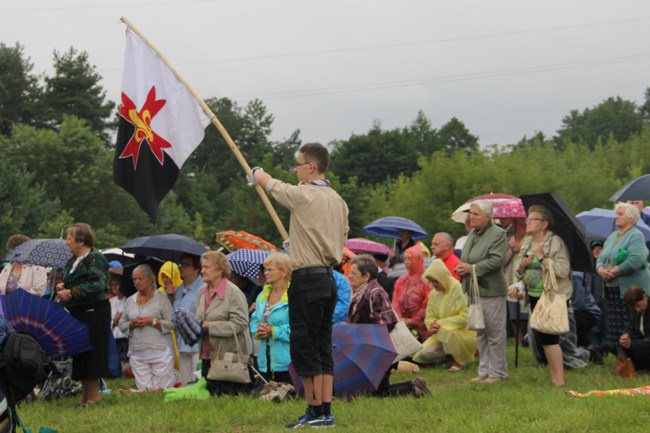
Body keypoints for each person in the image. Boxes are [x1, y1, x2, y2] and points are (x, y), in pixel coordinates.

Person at [252, 142, 349, 428]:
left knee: (305, 347)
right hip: (329, 277)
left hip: (307, 280)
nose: (295, 170)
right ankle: (325, 410)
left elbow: (274, 186)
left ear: (311, 166)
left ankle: (315, 410)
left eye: (298, 164)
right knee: (322, 347)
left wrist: (258, 173)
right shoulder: (338, 201)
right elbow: (335, 237)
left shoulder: (306, 194)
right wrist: (296, 246)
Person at [346, 254, 431, 397]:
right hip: (373, 348)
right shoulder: (360, 293)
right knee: (372, 391)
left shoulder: (375, 293)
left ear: (366, 276)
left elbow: (388, 322)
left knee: (378, 393)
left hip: (381, 349)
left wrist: (367, 336)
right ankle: (414, 386)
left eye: (353, 273)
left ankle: (413, 387)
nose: (349, 276)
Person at [509, 204, 573, 385]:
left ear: (544, 224)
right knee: (541, 337)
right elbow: (518, 271)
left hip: (552, 296)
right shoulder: (527, 242)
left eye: (532, 219)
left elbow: (563, 270)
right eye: (527, 219)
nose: (527, 222)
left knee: (549, 338)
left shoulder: (555, 242)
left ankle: (559, 381)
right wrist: (522, 264)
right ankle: (554, 377)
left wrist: (543, 258)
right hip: (534, 295)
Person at [55, 223, 110, 405]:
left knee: (91, 351)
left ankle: (94, 397)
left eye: (69, 238)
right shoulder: (72, 261)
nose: (66, 242)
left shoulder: (95, 258)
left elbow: (97, 284)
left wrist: (71, 292)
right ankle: (85, 396)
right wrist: (64, 286)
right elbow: (72, 280)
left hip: (93, 311)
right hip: (77, 312)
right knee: (81, 352)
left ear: (81, 240)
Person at [455, 200, 508, 384]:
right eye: (471, 213)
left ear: (488, 217)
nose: (472, 217)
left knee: (495, 333)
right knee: (481, 332)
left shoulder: (498, 234)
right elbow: (466, 258)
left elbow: (496, 260)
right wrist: (461, 268)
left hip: (491, 289)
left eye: (476, 214)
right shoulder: (472, 234)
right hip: (474, 290)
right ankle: (484, 371)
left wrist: (472, 268)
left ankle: (498, 372)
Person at [196, 251, 252, 396]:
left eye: (206, 267)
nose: (202, 271)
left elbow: (240, 324)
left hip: (229, 356)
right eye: (202, 267)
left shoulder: (233, 292)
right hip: (207, 354)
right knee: (210, 400)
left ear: (220, 270)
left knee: (229, 399)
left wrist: (210, 327)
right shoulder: (201, 292)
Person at [595, 203, 650, 351]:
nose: (616, 217)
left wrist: (614, 271)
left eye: (620, 214)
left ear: (631, 218)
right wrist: (601, 270)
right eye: (616, 214)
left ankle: (634, 356)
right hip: (611, 288)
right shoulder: (612, 236)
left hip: (629, 289)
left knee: (628, 322)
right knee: (614, 323)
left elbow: (636, 260)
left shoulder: (636, 236)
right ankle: (619, 354)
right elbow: (601, 258)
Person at [118, 264, 175, 391]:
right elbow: (122, 325)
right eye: (134, 279)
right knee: (145, 393)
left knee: (161, 390)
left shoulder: (161, 299)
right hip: (138, 352)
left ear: (150, 279)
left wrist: (152, 321)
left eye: (140, 278)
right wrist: (132, 324)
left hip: (160, 351)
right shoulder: (129, 301)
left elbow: (171, 323)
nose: (137, 282)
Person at [413, 259, 477, 371]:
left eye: (435, 281)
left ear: (442, 277)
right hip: (440, 334)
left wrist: (441, 323)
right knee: (423, 354)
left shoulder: (458, 288)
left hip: (463, 334)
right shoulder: (434, 294)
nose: (433, 285)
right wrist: (431, 326)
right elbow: (430, 316)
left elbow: (465, 317)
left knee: (449, 331)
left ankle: (459, 361)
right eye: (430, 282)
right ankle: (448, 357)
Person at [250, 252, 292, 383]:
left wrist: (273, 331)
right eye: (265, 269)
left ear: (284, 272)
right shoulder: (262, 295)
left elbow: (300, 328)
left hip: (288, 361)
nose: (265, 273)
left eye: (270, 270)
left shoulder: (294, 296)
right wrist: (258, 330)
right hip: (264, 359)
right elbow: (254, 320)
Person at [173, 253, 203, 385]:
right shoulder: (179, 289)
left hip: (198, 341)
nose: (181, 267)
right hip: (182, 340)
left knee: (198, 379)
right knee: (185, 382)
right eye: (181, 264)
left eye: (186, 264)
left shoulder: (203, 287)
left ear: (196, 268)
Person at [391, 245, 432, 342]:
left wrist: (414, 320)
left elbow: (428, 303)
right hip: (404, 326)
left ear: (418, 259)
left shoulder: (428, 279)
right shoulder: (401, 280)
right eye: (405, 259)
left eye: (410, 258)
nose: (406, 261)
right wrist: (400, 319)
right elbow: (395, 302)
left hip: (424, 327)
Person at [617, 285, 650, 372]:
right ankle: (629, 365)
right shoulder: (635, 312)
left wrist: (633, 344)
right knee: (620, 345)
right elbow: (630, 326)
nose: (637, 310)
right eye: (634, 307)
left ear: (645, 297)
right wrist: (625, 336)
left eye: (638, 305)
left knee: (640, 352)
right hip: (641, 343)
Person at [157, 261, 182, 372]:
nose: (165, 280)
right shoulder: (159, 292)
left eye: (167, 276)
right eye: (163, 276)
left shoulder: (183, 288)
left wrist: (173, 296)